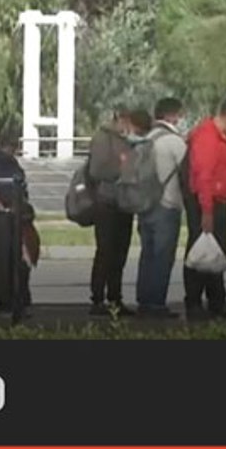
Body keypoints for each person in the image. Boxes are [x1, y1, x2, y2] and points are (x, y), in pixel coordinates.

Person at [184, 97, 226, 321]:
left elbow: (220, 167)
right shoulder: (208, 137)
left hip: (218, 200)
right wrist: (207, 211)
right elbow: (204, 176)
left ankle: (216, 299)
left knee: (217, 253)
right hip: (207, 201)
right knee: (200, 251)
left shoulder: (221, 139)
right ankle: (193, 302)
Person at [86, 106, 144, 316]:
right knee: (106, 250)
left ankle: (115, 297)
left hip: (124, 202)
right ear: (119, 119)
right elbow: (96, 170)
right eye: (128, 122)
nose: (129, 127)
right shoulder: (103, 138)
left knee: (120, 252)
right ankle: (98, 298)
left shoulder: (126, 140)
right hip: (107, 201)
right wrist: (121, 168)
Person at [136, 98, 189, 318]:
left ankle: (145, 301)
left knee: (147, 254)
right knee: (162, 256)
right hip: (167, 205)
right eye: (180, 115)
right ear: (171, 116)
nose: (182, 120)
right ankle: (157, 304)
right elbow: (188, 173)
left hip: (144, 204)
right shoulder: (174, 142)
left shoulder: (145, 139)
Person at [0, 124, 38, 309]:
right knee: (18, 258)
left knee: (10, 258)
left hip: (5, 214)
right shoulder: (6, 163)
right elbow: (10, 187)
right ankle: (19, 296)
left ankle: (11, 296)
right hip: (10, 214)